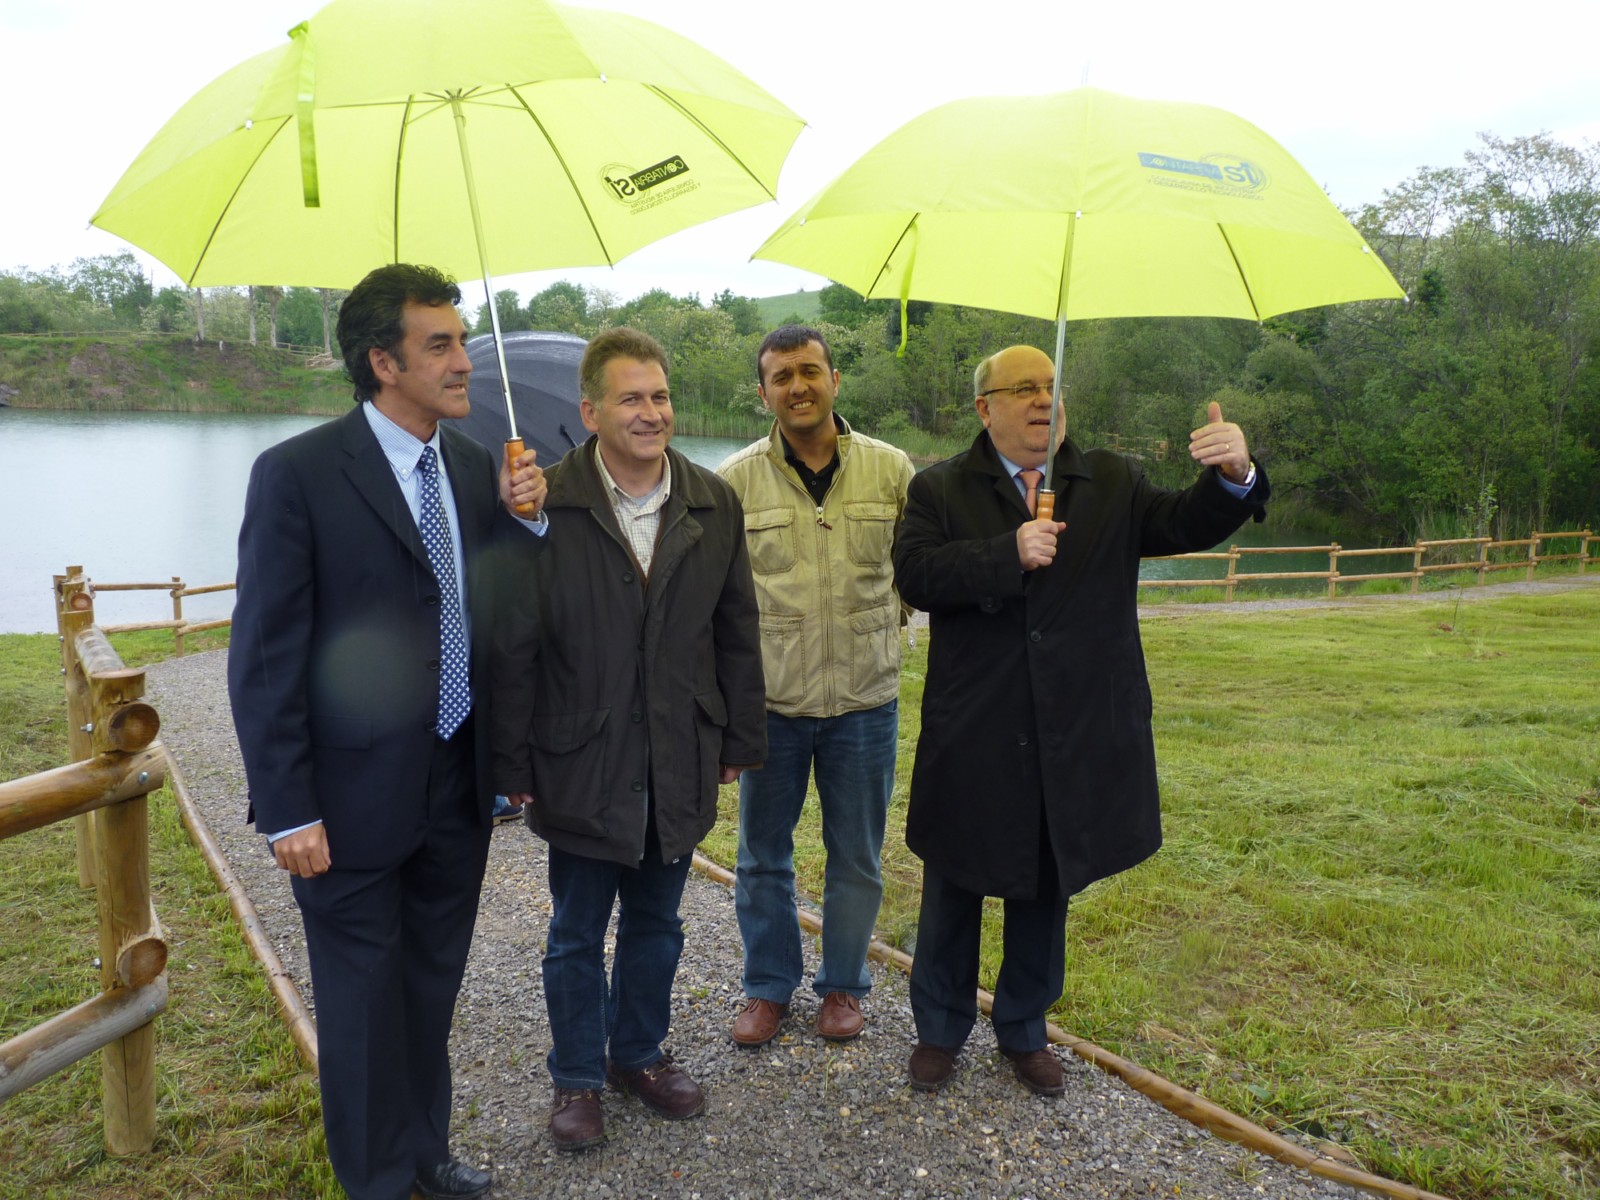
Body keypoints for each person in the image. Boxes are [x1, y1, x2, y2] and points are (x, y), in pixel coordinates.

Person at [227, 263, 546, 1200]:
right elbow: (264, 656)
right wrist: (288, 808)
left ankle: (426, 1154)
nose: (463, 363)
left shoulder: (471, 464)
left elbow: (491, 609)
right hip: (347, 799)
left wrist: (523, 526)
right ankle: (373, 1181)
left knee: (430, 984)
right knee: (363, 1005)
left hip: (458, 779)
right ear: (382, 361)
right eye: (439, 345)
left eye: (460, 340)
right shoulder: (297, 474)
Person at [892, 343, 1268, 1096]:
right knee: (955, 884)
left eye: (1052, 387)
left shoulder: (1111, 481)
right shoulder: (939, 488)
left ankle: (1024, 1028)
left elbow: (1188, 523)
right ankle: (939, 1029)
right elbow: (916, 576)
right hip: (977, 731)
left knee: (1043, 883)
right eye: (1023, 388)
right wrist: (1009, 551)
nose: (1042, 400)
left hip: (1073, 730)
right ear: (984, 408)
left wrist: (1234, 478)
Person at [491, 326, 766, 1152]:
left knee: (660, 922)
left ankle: (638, 1055)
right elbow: (514, 639)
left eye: (660, 396)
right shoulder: (545, 503)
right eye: (630, 399)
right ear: (590, 410)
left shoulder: (713, 502)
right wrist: (511, 760)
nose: (651, 414)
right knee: (577, 930)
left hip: (680, 750)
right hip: (582, 754)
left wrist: (739, 737)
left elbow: (737, 629)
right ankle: (577, 1076)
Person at [717, 325, 914, 1046]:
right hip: (770, 705)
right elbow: (721, 597)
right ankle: (768, 988)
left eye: (809, 371)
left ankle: (843, 987)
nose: (797, 386)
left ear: (834, 379)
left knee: (856, 854)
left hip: (865, 701)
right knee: (762, 854)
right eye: (780, 376)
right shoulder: (734, 481)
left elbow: (915, 570)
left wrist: (886, 623)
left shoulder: (892, 471)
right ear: (763, 392)